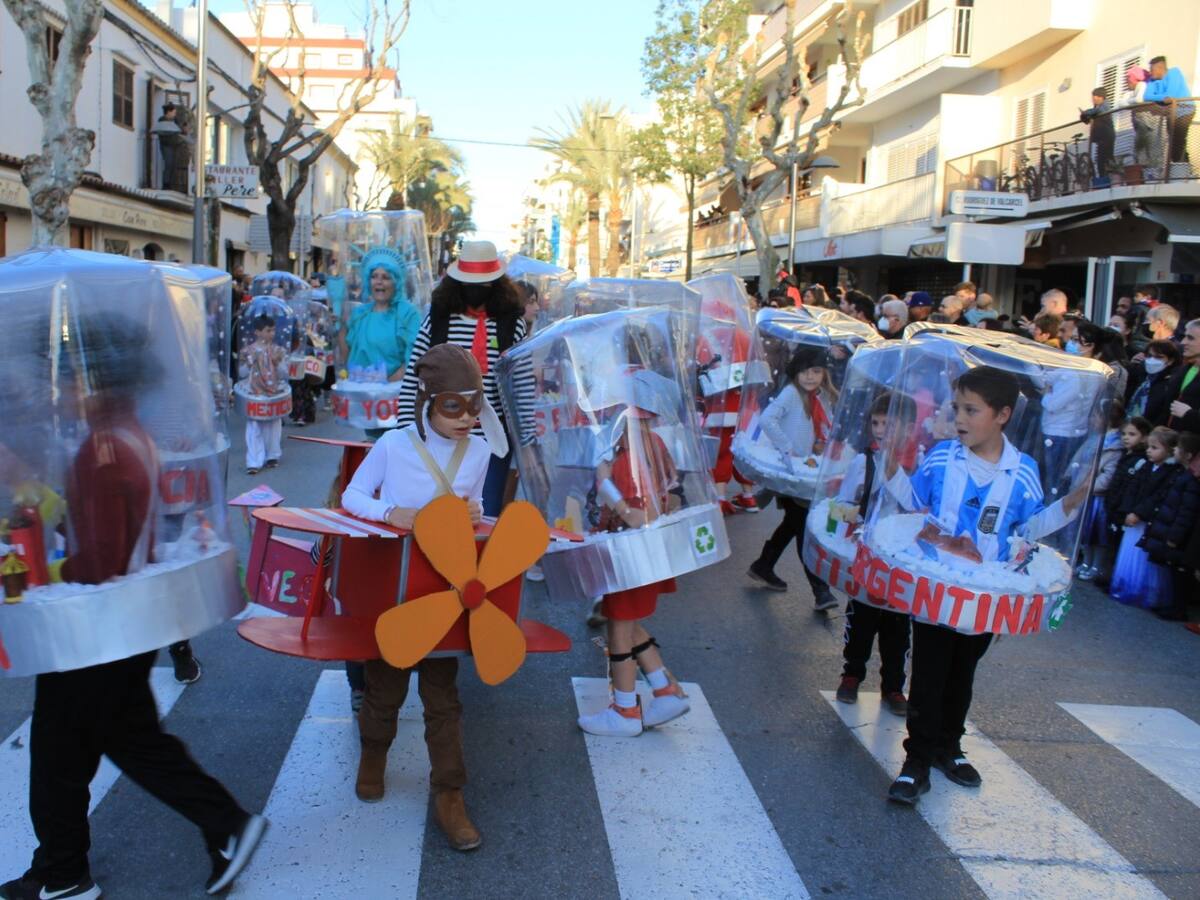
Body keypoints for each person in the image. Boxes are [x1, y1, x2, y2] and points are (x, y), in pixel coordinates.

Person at [0, 314, 267, 900]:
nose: (59, 392)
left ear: (96, 382)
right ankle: (220, 827)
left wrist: (37, 567)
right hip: (121, 625)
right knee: (130, 741)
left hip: (94, 628)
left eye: (66, 380)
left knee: (58, 752)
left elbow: (97, 561)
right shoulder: (122, 433)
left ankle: (65, 873)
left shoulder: (100, 449)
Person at [884, 366, 1088, 805]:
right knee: (930, 671)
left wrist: (1071, 503)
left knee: (963, 670)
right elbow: (914, 506)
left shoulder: (1023, 471)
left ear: (1003, 415)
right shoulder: (941, 457)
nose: (959, 417)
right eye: (957, 407)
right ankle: (915, 760)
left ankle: (948, 747)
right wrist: (888, 466)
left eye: (971, 410)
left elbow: (1031, 527)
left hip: (986, 596)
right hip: (938, 588)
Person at [341, 344, 508, 851]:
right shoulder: (393, 445)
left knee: (443, 696)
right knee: (385, 682)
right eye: (452, 406)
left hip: (448, 587)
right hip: (395, 583)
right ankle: (373, 754)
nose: (466, 418)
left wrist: (473, 510)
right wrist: (391, 512)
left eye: (474, 405)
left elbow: (473, 509)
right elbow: (352, 496)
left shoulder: (478, 452)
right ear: (427, 403)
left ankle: (450, 795)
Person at [576, 369, 691, 738]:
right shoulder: (650, 444)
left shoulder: (630, 455)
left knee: (619, 629)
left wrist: (607, 482)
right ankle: (665, 690)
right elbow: (668, 496)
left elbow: (637, 510)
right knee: (626, 621)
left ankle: (624, 709)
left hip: (629, 552)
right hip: (642, 552)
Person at [396, 241, 529, 516]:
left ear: (496, 283)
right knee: (433, 512)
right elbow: (415, 375)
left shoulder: (511, 323)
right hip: (438, 437)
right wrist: (406, 431)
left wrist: (527, 444)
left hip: (492, 441)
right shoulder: (438, 319)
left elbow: (522, 386)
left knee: (483, 514)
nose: (476, 289)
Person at [833, 392, 912, 716]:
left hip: (903, 555)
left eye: (889, 424)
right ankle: (852, 673)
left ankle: (893, 685)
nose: (881, 430)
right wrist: (844, 534)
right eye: (876, 423)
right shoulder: (862, 461)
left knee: (898, 628)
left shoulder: (917, 462)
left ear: (906, 428)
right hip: (867, 553)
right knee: (862, 619)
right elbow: (844, 502)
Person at [746, 346, 839, 610]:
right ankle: (820, 591)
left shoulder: (820, 395)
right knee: (803, 528)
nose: (810, 376)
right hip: (793, 474)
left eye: (816, 371)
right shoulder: (791, 394)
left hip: (809, 472)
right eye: (804, 371)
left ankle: (763, 565)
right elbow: (768, 420)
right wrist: (788, 448)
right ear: (795, 372)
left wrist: (822, 446)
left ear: (824, 373)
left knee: (793, 522)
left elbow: (825, 427)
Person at [1110, 426, 1179, 607]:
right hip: (1133, 518)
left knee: (1142, 558)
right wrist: (1127, 511)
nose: (1149, 450)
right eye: (1149, 447)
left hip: (1147, 521)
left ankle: (1144, 592)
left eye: (1155, 448)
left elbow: (1158, 496)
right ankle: (1126, 587)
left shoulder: (1171, 472)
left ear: (1169, 450)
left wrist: (1139, 513)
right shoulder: (1145, 466)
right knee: (1129, 553)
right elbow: (1132, 489)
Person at [344, 247, 422, 389]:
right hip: (358, 395)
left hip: (395, 396)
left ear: (396, 283)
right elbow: (346, 356)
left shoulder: (408, 314)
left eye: (386, 277)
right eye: (374, 276)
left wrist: (383, 390)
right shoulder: (359, 314)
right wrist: (339, 321)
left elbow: (415, 360)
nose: (379, 282)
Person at [1142, 432, 1200, 621]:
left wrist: (1174, 537)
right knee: (1172, 569)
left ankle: (1177, 608)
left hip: (1177, 534)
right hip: (1171, 529)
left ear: (1188, 454)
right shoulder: (1183, 474)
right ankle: (1171, 605)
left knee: (1180, 573)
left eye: (1178, 448)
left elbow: (1186, 512)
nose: (1175, 450)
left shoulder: (1191, 480)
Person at [1099, 416, 1152, 589]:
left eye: (1132, 434)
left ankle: (1112, 579)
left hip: (1122, 509)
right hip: (1113, 505)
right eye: (1124, 434)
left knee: (1116, 546)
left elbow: (1132, 489)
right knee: (1109, 542)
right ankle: (1106, 576)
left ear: (1143, 437)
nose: (1126, 437)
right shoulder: (1125, 456)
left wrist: (1123, 509)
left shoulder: (1140, 460)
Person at [1076, 401, 1125, 581]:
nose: (1093, 419)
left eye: (1096, 415)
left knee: (1098, 535)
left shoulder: (1114, 445)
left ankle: (1097, 566)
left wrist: (1089, 486)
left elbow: (1108, 475)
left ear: (1106, 419)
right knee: (1085, 533)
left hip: (1098, 499)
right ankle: (1086, 562)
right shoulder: (1096, 438)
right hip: (1085, 492)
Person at [240, 314, 286, 475]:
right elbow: (242, 373)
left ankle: (272, 455)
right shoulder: (248, 351)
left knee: (274, 425)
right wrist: (248, 363)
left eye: (273, 330)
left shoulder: (278, 350)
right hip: (255, 392)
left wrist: (277, 362)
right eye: (268, 330)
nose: (271, 333)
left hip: (273, 392)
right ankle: (253, 460)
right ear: (257, 332)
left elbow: (284, 373)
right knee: (254, 427)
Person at [1143, 56, 1195, 165]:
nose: (1150, 72)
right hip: (1171, 112)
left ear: (1160, 67)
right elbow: (1147, 96)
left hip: (1184, 109)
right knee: (1173, 143)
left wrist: (1161, 98)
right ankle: (1180, 169)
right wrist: (1162, 98)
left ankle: (1182, 170)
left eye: (1152, 69)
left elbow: (1171, 96)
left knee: (1179, 141)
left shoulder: (1174, 73)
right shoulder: (1152, 81)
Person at [1127, 339, 1182, 423]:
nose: (1152, 360)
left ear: (1170, 361)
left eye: (1158, 357)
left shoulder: (1170, 385)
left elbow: (1164, 415)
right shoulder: (1139, 374)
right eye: (1149, 356)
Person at [1165, 318, 1200, 433]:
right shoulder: (1185, 369)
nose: (1183, 342)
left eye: (1190, 338)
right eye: (1185, 336)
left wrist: (1189, 414)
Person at [1081, 86, 1116, 181]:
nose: (1093, 99)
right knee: (1101, 160)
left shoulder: (1105, 105)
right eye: (1093, 96)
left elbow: (1098, 111)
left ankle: (1108, 180)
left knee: (1105, 160)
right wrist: (1085, 117)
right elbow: (1092, 117)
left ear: (1101, 97)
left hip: (1107, 136)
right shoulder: (1097, 107)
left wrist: (1087, 112)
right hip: (1102, 137)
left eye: (1095, 96)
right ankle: (1104, 179)